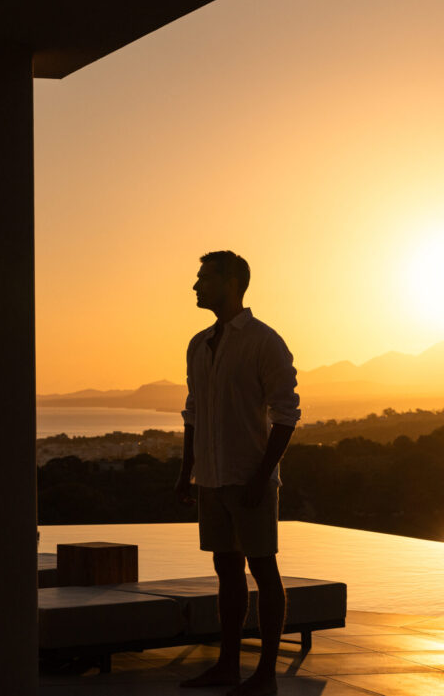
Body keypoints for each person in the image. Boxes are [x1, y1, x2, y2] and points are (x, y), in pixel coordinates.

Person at [175, 251, 300, 696]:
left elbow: (286, 413)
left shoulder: (264, 342)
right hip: (211, 478)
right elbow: (193, 412)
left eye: (204, 278)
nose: (195, 286)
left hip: (250, 479)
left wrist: (261, 477)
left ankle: (265, 675)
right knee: (226, 571)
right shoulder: (198, 344)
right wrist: (187, 472)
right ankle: (227, 666)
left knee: (264, 570)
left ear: (231, 283)